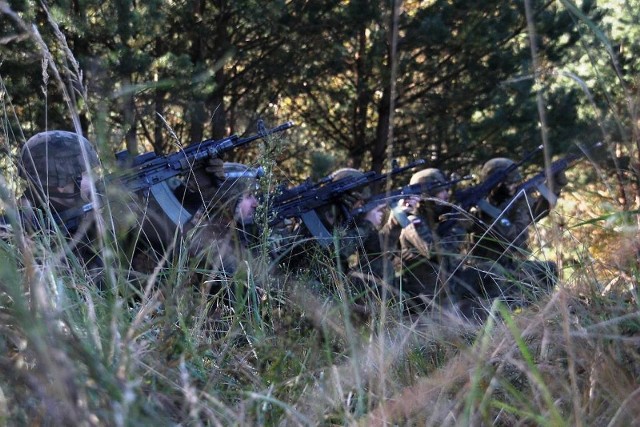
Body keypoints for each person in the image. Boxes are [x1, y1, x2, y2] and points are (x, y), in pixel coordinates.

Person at [468, 157, 568, 306]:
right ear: (495, 184)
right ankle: (498, 319)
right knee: (497, 279)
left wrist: (555, 186)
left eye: (515, 183)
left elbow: (537, 212)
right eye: (509, 184)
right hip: (488, 274)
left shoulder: (512, 202)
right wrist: (519, 203)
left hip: (511, 268)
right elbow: (516, 241)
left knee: (548, 270)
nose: (513, 187)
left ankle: (534, 314)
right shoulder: (481, 210)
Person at [18, 130, 107, 284]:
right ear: (61, 184)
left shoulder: (78, 216)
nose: (95, 179)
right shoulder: (25, 232)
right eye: (86, 174)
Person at [395, 168, 478, 311]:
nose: (446, 195)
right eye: (441, 191)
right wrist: (459, 227)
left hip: (450, 286)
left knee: (491, 271)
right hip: (429, 297)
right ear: (426, 195)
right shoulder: (412, 222)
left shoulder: (436, 219)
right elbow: (435, 250)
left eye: (446, 189)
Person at [186, 162, 265, 303]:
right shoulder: (209, 243)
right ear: (229, 198)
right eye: (248, 196)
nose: (256, 203)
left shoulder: (230, 232)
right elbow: (251, 299)